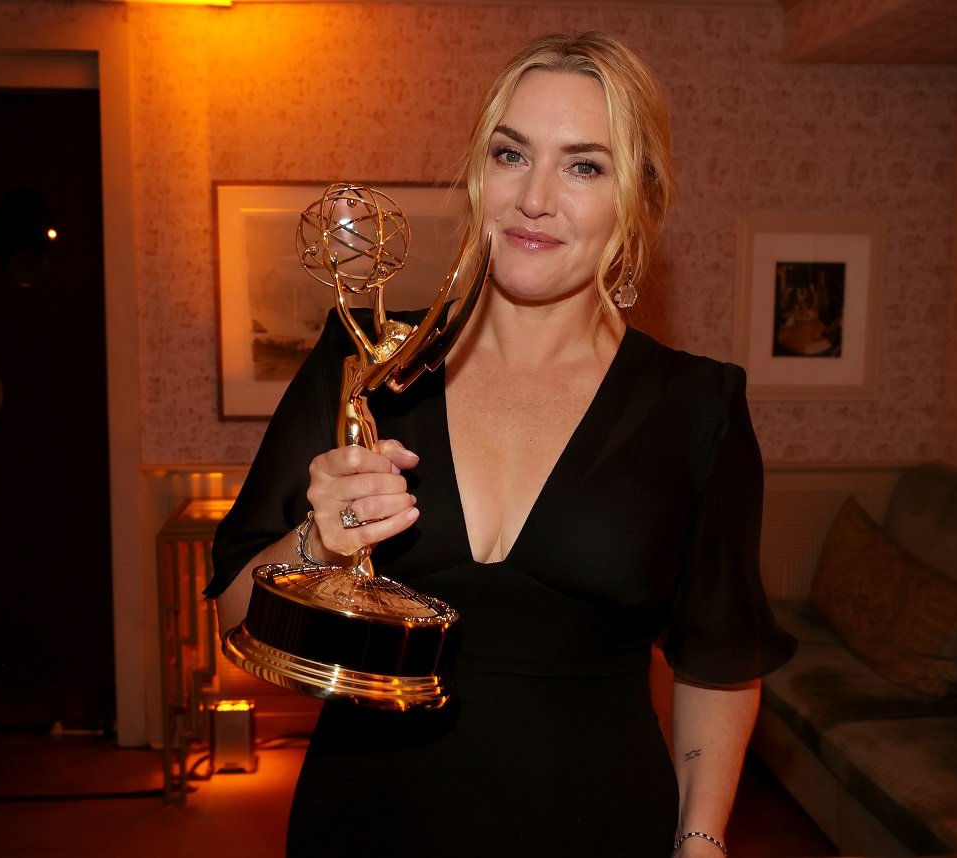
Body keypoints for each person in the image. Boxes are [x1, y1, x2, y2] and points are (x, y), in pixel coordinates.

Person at [207, 31, 794, 858]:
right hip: (364, 828)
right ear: (480, 174)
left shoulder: (699, 407)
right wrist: (315, 543)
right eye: (512, 154)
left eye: (584, 165)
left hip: (599, 830)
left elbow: (718, 662)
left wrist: (701, 839)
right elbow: (238, 626)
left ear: (639, 199)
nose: (536, 198)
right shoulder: (367, 373)